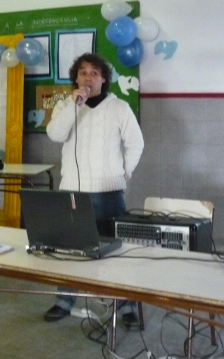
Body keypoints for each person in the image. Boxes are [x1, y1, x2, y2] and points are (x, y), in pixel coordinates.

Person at [43, 53, 144, 329]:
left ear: (103, 79)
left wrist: (124, 173)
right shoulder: (67, 105)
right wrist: (74, 105)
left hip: (108, 194)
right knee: (69, 249)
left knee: (115, 251)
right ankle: (64, 301)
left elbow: (136, 143)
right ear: (76, 78)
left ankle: (126, 306)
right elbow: (55, 134)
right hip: (72, 192)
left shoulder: (119, 107)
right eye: (83, 72)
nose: (88, 77)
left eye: (94, 73)